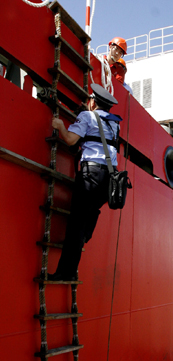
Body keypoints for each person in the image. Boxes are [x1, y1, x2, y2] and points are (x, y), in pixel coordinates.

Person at [48, 84, 121, 281]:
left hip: (92, 175)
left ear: (93, 102)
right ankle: (85, 235)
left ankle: (66, 272)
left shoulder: (88, 116)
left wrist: (60, 126)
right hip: (109, 180)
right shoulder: (115, 124)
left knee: (75, 225)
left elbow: (71, 140)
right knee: (89, 212)